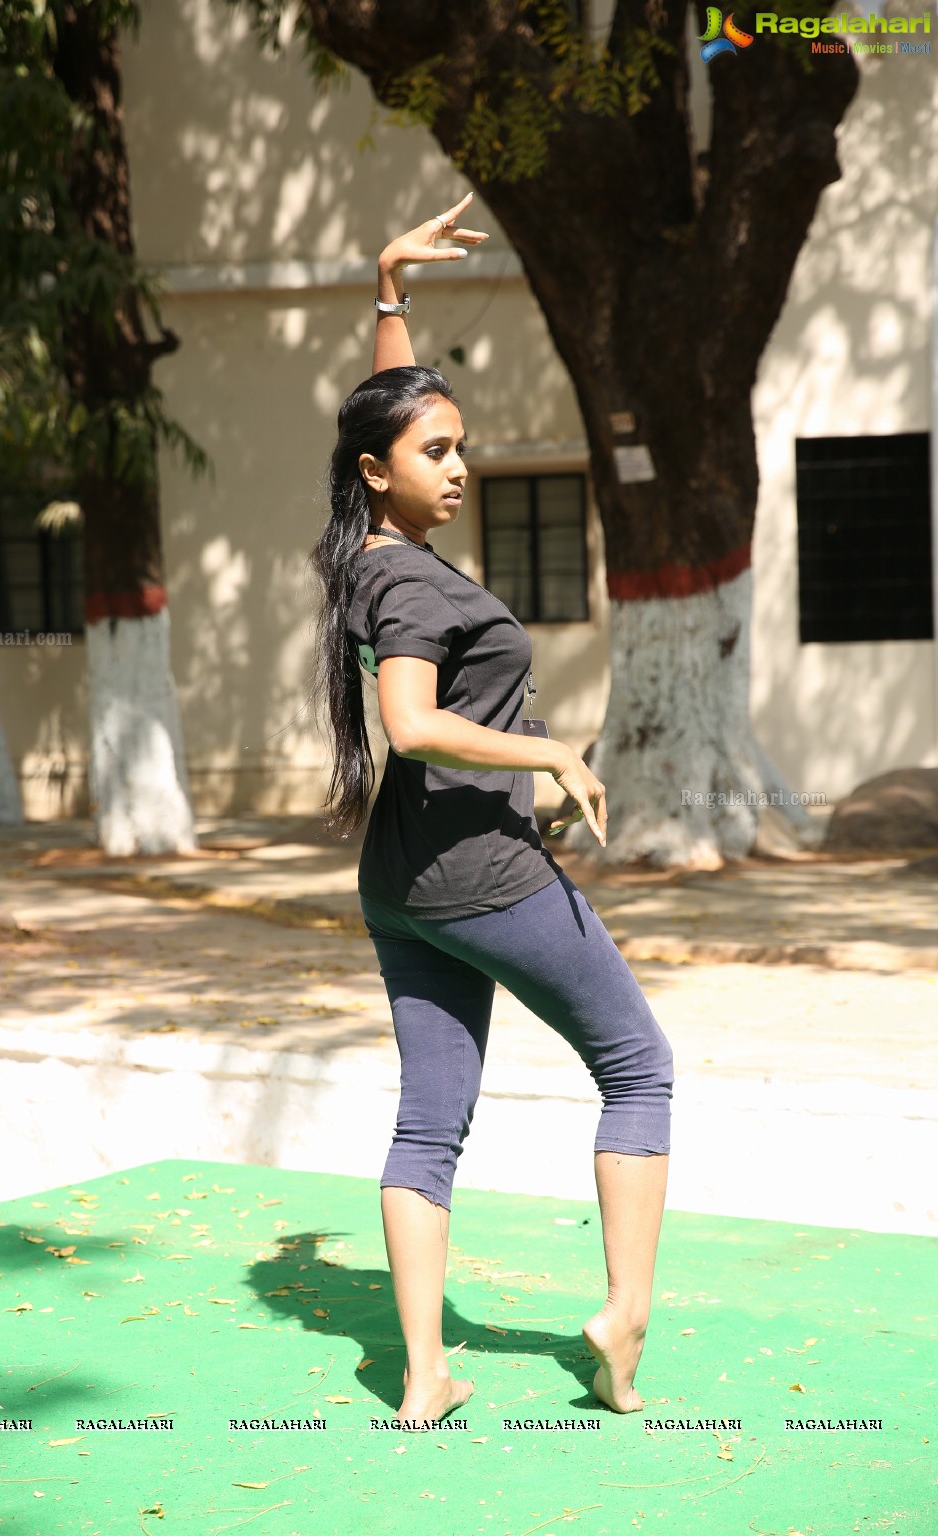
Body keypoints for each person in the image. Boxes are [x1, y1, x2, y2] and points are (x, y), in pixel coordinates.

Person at [308, 193, 674, 1429]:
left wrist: (389, 290)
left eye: (461, 446)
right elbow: (411, 725)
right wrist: (550, 751)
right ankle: (621, 1323)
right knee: (638, 1068)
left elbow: (386, 414)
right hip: (481, 872)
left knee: (429, 1122)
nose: (457, 467)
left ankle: (424, 1376)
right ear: (380, 478)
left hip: (402, 883)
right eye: (436, 455)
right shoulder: (408, 586)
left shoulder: (367, 543)